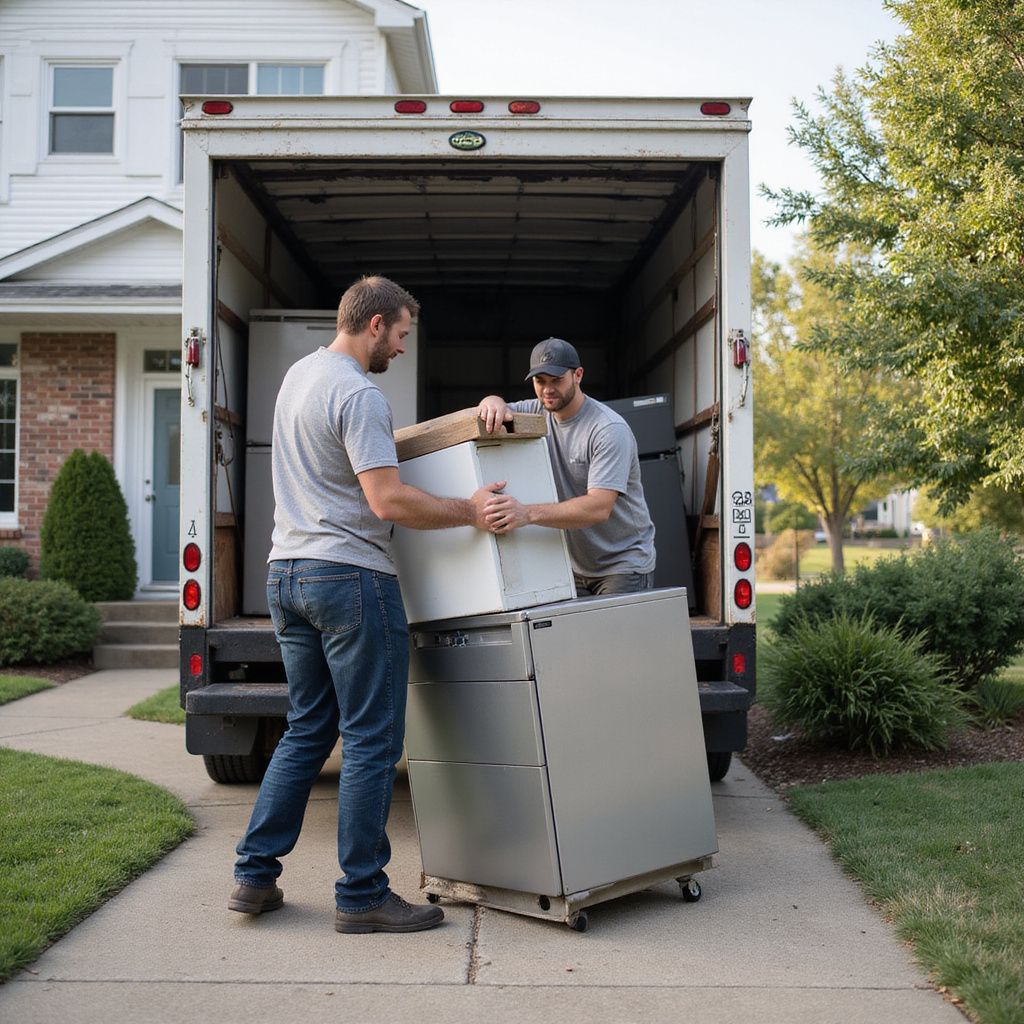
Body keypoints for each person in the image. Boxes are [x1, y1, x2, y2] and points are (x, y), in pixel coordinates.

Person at [230, 275, 506, 934]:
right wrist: (471, 510)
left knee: (306, 729)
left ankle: (254, 875)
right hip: (350, 579)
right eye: (404, 333)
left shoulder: (301, 376)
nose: (405, 348)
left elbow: (361, 457)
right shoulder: (359, 392)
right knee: (372, 742)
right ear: (377, 324)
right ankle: (362, 896)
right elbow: (388, 500)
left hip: (286, 573)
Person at [477, 337, 656, 596]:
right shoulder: (536, 412)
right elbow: (499, 408)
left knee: (612, 638)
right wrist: (491, 400)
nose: (548, 390)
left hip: (622, 565)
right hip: (573, 567)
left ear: (578, 375)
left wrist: (525, 513)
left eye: (556, 380)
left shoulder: (607, 429)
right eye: (540, 381)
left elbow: (598, 508)